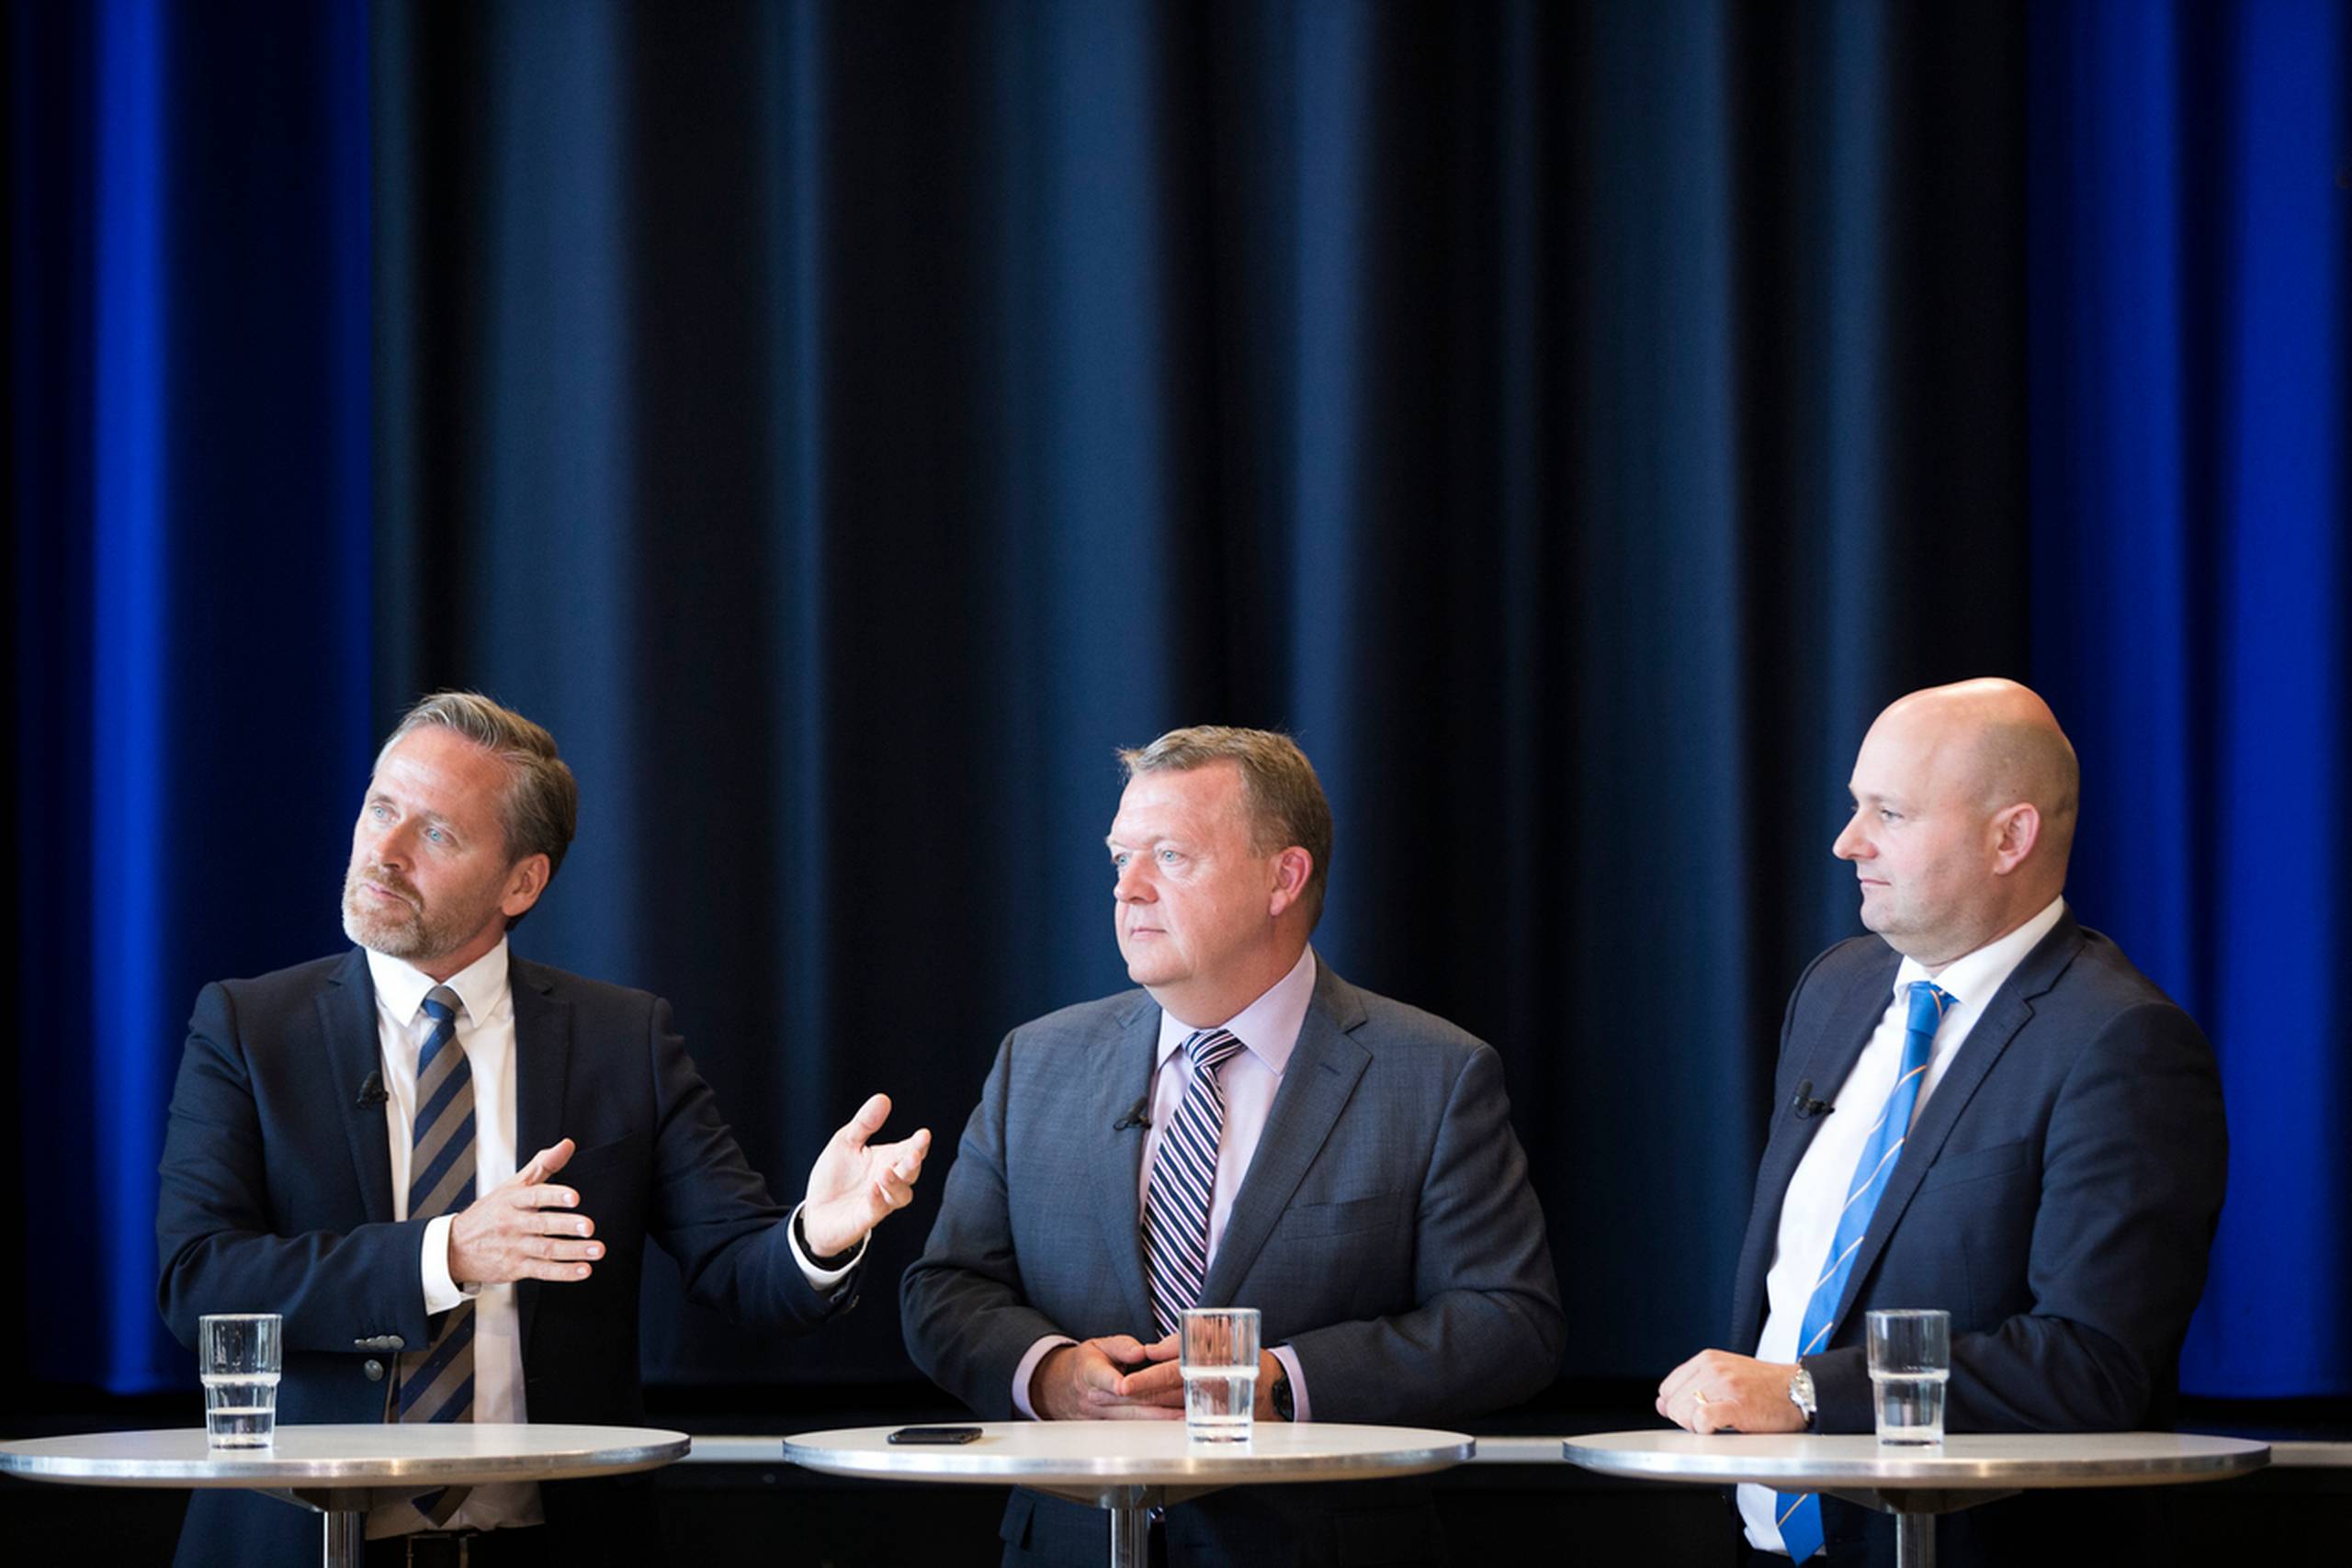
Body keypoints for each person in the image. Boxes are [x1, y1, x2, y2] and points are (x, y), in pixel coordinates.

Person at [156, 692, 931, 1567]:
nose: (386, 850)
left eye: (437, 833)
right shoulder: (249, 1027)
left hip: (552, 1544)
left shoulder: (621, 1039)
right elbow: (199, 1280)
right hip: (298, 1542)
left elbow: (740, 1269)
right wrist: (445, 1254)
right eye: (380, 808)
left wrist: (815, 1239)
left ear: (521, 881)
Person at [900, 726, 1564, 1568]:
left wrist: (1282, 1379)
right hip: (1069, 1544)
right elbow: (945, 1291)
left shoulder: (1433, 1074)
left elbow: (1510, 1323)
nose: (1129, 889)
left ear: (1282, 877)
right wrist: (1049, 1373)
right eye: (1119, 858)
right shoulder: (1036, 1062)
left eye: (1171, 856)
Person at [1656, 679, 2227, 1566]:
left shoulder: (2123, 1043)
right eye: (1856, 807)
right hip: (1770, 1547)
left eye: (1890, 812)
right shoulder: (1834, 989)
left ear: (2012, 836)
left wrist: (1807, 1391)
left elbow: (2093, 1362)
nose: (1848, 842)